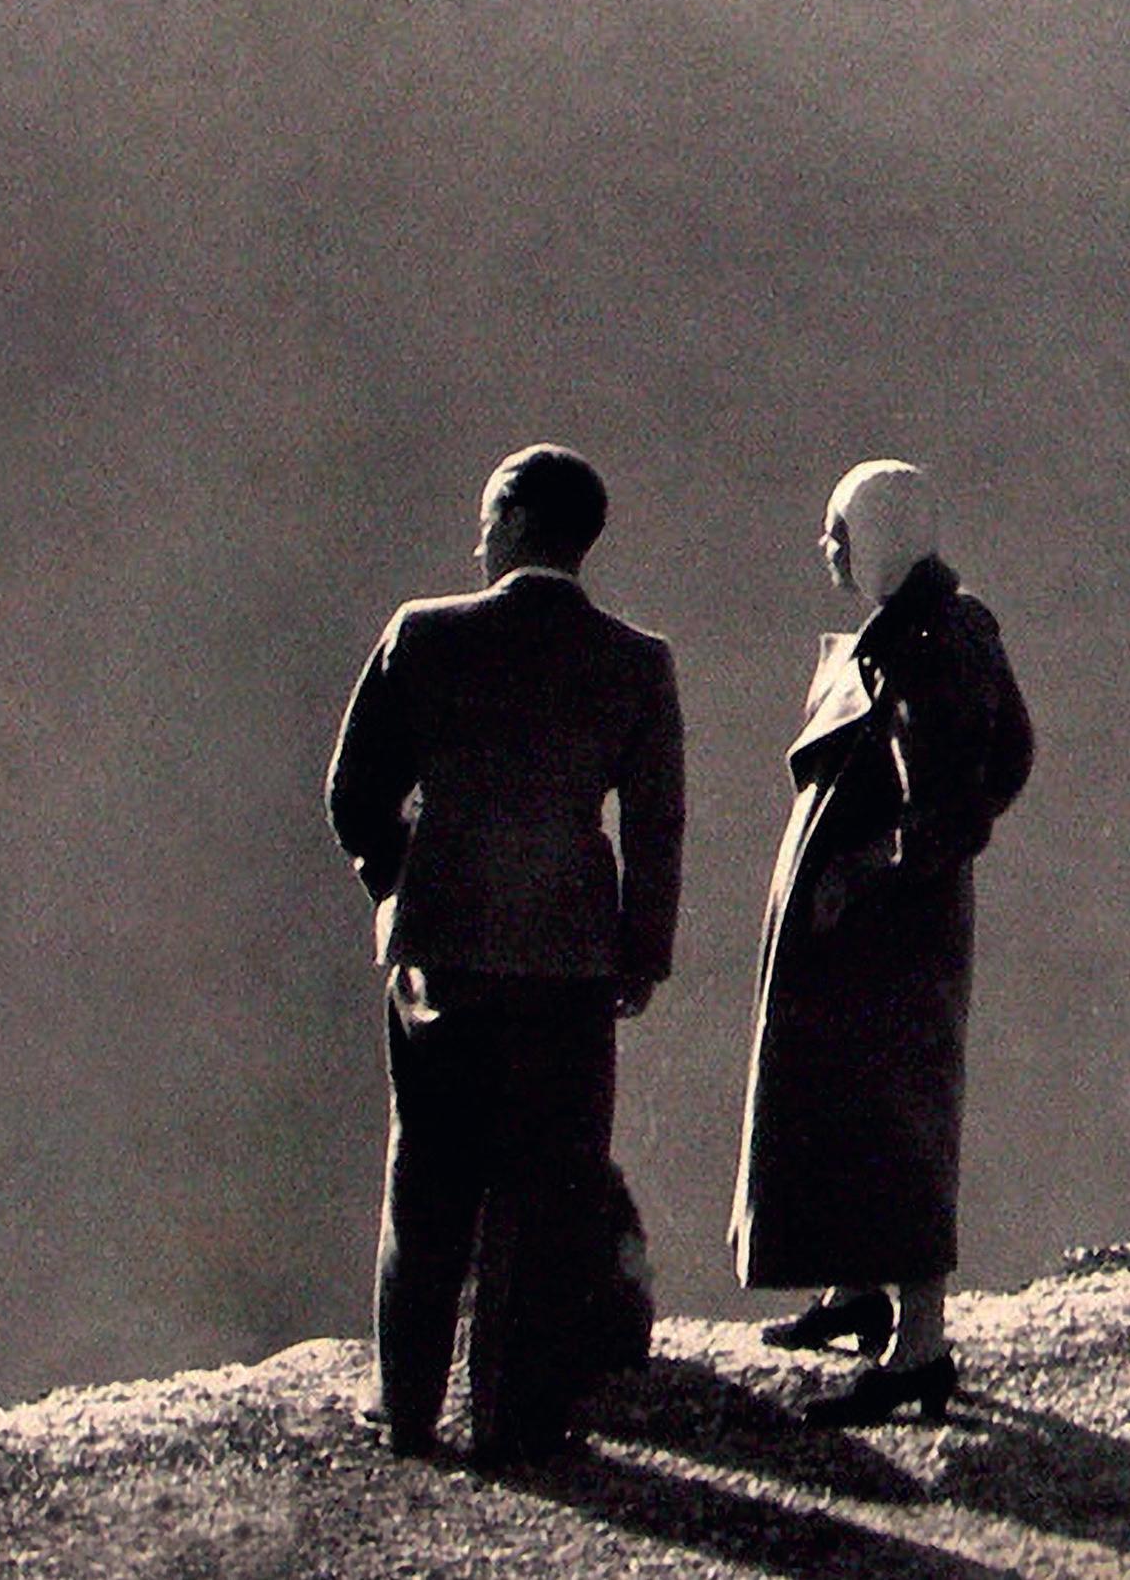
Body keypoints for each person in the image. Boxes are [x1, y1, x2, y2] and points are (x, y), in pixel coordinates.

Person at [326, 443, 685, 1468]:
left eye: (488, 516)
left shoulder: (423, 632)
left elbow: (353, 791)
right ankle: (517, 1418)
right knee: (550, 1186)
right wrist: (639, 953)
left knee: (426, 1177)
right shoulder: (636, 660)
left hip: (442, 952)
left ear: (519, 522)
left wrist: (399, 884)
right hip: (569, 960)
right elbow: (656, 825)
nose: (478, 536)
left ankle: (407, 1408)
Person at [729, 457, 1033, 1425]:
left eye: (839, 529)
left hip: (892, 927)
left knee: (899, 1113)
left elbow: (955, 798)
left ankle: (918, 1346)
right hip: (868, 922)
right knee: (844, 1099)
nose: (826, 547)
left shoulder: (934, 636)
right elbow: (1002, 757)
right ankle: (857, 1290)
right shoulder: (922, 624)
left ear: (877, 534)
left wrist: (864, 870)